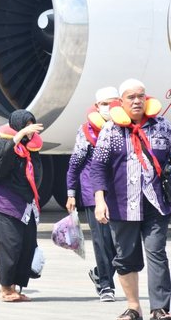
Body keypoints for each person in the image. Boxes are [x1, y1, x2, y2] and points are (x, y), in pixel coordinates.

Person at [92, 79, 171, 320]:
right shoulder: (111, 130)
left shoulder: (162, 126)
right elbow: (98, 167)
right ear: (121, 102)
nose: (137, 101)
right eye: (131, 97)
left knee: (157, 252)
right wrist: (99, 200)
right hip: (122, 204)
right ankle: (133, 306)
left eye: (141, 96)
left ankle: (160, 308)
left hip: (156, 203)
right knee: (125, 256)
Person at [0, 109, 44, 302]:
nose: (30, 129)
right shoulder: (5, 146)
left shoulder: (32, 150)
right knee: (10, 245)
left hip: (26, 204)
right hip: (5, 203)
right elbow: (1, 162)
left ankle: (16, 287)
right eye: (26, 125)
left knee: (26, 245)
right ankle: (5, 288)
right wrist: (19, 136)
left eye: (31, 125)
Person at [66, 86, 119, 302]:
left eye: (114, 102)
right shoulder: (87, 131)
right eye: (105, 103)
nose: (110, 107)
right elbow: (75, 163)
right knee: (102, 241)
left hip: (119, 193)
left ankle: (99, 273)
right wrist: (71, 193)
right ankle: (106, 286)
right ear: (97, 106)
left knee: (121, 245)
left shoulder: (124, 128)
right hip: (92, 193)